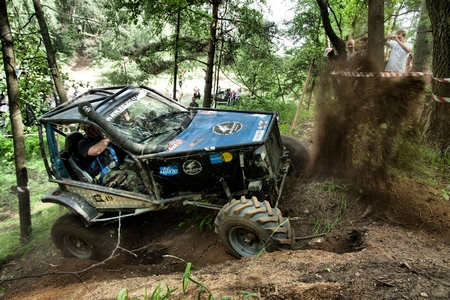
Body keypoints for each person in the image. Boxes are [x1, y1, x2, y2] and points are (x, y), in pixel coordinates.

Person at [78, 123, 145, 192]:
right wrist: (109, 136)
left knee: (144, 166)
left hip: (120, 166)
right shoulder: (83, 143)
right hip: (105, 175)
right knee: (131, 177)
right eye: (96, 127)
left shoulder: (104, 138)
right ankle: (146, 199)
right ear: (87, 128)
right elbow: (95, 151)